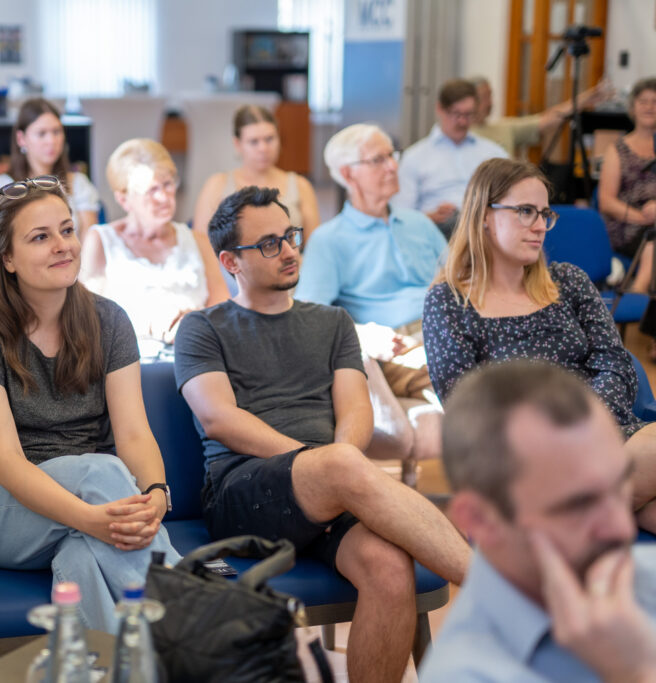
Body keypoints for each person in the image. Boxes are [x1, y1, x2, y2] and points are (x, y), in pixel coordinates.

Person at [174, 185, 470, 683]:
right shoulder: (202, 327)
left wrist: (333, 474)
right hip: (243, 493)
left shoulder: (333, 322)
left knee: (389, 569)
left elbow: (356, 412)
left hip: (331, 490)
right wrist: (319, 466)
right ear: (230, 261)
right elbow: (219, 419)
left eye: (290, 236)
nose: (289, 251)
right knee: (340, 463)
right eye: (269, 244)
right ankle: (499, 589)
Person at [0, 176, 181, 634]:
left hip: (97, 500)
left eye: (67, 230)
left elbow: (134, 434)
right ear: (8, 258)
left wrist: (156, 493)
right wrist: (92, 518)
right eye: (40, 237)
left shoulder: (109, 320)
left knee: (84, 555)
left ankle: (115, 664)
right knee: (100, 471)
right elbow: (7, 462)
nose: (63, 246)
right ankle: (195, 619)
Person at [423, 157, 656, 532]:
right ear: (484, 215)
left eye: (545, 214)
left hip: (607, 436)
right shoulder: (449, 302)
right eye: (525, 211)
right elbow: (465, 408)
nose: (539, 226)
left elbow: (615, 364)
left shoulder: (569, 281)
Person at [420, 361, 656, 682]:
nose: (621, 528)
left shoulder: (640, 571)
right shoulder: (469, 673)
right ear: (480, 520)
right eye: (579, 505)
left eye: (620, 487)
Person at [296, 123, 448, 471]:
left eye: (392, 156)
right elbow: (308, 318)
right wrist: (363, 335)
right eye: (379, 159)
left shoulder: (419, 224)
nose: (393, 166)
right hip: (396, 343)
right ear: (349, 174)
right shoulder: (329, 240)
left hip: (444, 327)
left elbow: (461, 281)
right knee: (464, 376)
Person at [80, 138, 229, 350]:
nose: (163, 197)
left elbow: (223, 312)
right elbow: (87, 319)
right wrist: (149, 323)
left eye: (168, 184)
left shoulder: (198, 241)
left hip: (195, 354)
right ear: (123, 199)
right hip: (128, 360)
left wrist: (195, 322)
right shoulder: (101, 241)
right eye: (151, 190)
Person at [193, 104, 320, 247]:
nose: (263, 148)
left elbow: (314, 246)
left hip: (293, 259)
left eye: (269, 139)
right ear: (238, 144)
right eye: (254, 142)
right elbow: (202, 245)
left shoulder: (301, 185)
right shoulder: (217, 185)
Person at [393, 79, 509, 236]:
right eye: (456, 114)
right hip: (436, 233)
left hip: (484, 230)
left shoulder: (494, 154)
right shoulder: (414, 157)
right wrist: (428, 218)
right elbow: (400, 215)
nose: (462, 121)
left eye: (468, 114)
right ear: (439, 108)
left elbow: (511, 200)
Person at [0, 98, 99, 234]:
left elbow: (88, 241)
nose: (51, 141)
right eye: (41, 134)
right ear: (21, 139)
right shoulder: (1, 186)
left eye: (56, 132)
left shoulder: (79, 184)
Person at [598, 77, 656, 296]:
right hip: (628, 225)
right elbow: (606, 202)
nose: (649, 107)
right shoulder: (617, 149)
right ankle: (638, 293)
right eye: (643, 101)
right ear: (633, 107)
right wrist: (642, 217)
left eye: (655, 101)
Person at [469, 75, 610, 157]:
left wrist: (583, 100)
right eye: (484, 97)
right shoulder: (462, 136)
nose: (490, 103)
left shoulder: (504, 127)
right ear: (470, 100)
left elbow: (548, 119)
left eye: (490, 96)